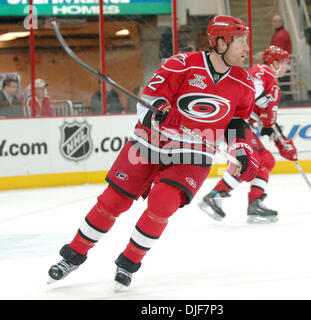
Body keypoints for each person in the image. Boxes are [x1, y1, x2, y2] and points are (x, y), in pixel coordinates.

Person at [47, 15, 259, 288]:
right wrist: (158, 111)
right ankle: (73, 256)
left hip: (194, 153)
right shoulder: (181, 65)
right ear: (220, 42)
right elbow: (149, 98)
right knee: (113, 202)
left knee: (163, 202)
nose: (246, 48)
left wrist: (241, 150)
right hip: (149, 144)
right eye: (240, 41)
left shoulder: (244, 83)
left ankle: (129, 262)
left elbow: (237, 122)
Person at [199, 45, 298, 224]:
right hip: (236, 121)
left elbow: (266, 120)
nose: (287, 67)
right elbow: (253, 86)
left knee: (266, 160)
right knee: (250, 160)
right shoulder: (263, 70)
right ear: (274, 62)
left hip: (248, 124)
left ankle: (255, 204)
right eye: (284, 62)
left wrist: (281, 141)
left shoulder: (273, 82)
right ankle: (214, 196)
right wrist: (262, 101)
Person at [270, 15, 292, 102]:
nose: (273, 23)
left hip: (280, 65)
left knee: (281, 84)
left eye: (275, 21)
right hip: (282, 64)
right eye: (273, 21)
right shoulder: (283, 33)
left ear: (281, 22)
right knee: (285, 85)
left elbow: (278, 51)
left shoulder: (280, 35)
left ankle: (282, 100)